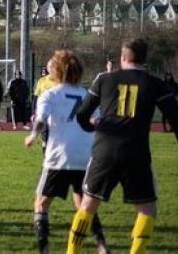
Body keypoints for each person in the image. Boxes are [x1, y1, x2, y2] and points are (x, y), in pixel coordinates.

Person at [67, 39, 178, 254]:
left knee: (87, 205)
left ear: (123, 57)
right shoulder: (155, 84)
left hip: (104, 151)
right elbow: (177, 120)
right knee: (147, 209)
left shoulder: (104, 79)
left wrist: (92, 126)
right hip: (136, 153)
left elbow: (81, 114)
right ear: (144, 60)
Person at [24, 50, 109, 254]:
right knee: (84, 203)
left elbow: (41, 120)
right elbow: (97, 121)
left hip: (59, 157)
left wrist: (32, 136)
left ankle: (44, 249)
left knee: (41, 203)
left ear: (56, 70)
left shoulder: (50, 94)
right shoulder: (87, 94)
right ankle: (101, 245)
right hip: (85, 156)